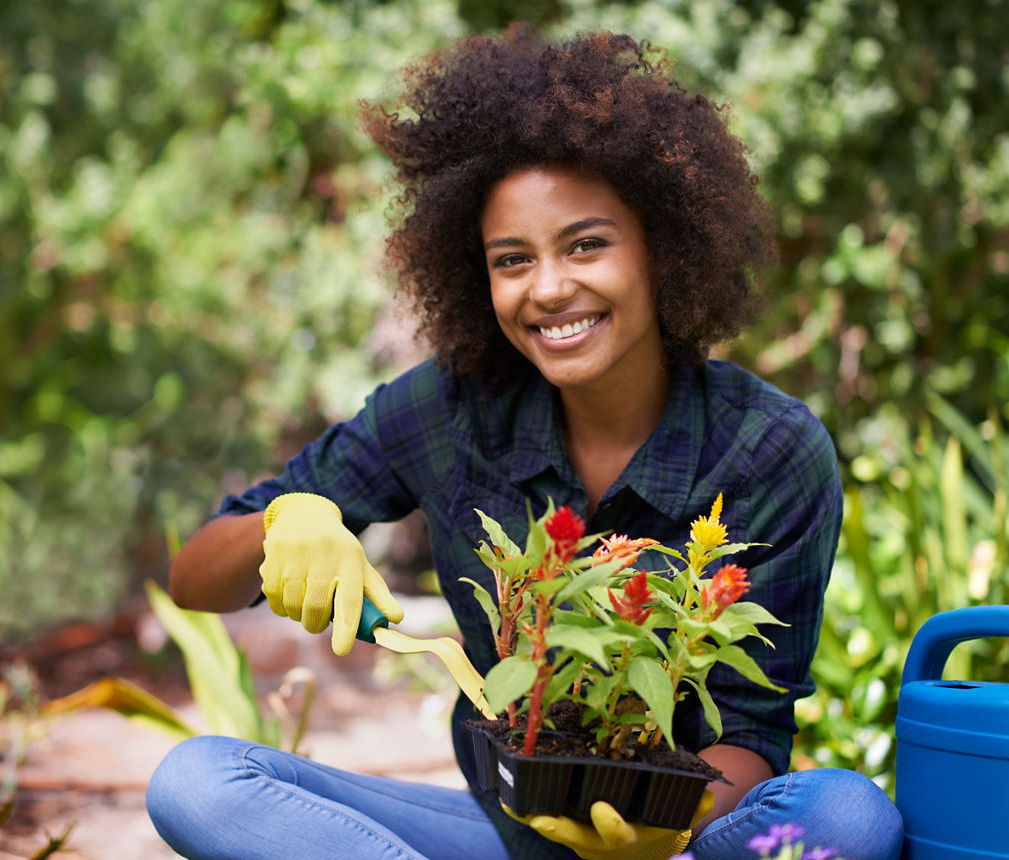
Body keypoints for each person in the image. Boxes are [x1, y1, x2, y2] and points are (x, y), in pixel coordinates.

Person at [145, 25, 904, 860]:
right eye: (512, 260)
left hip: (679, 842)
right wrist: (287, 519)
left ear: (660, 245)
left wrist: (653, 832)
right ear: (479, 278)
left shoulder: (769, 448)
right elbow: (195, 578)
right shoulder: (447, 408)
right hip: (508, 838)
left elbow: (751, 735)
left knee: (848, 820)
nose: (549, 288)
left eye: (586, 244)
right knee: (198, 782)